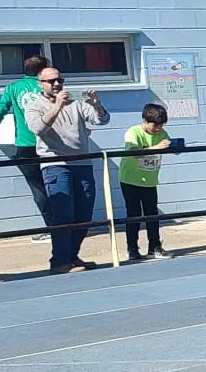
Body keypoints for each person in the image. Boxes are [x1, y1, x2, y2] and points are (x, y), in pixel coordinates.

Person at [23, 64, 110, 272]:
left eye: (59, 80)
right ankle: (59, 261)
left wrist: (97, 105)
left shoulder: (77, 104)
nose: (56, 84)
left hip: (82, 162)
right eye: (51, 81)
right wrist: (57, 106)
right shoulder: (34, 106)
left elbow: (103, 120)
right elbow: (37, 128)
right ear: (40, 84)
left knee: (84, 214)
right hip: (55, 164)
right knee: (63, 214)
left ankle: (72, 256)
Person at [0, 53, 55, 232]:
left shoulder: (13, 88)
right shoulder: (50, 85)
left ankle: (52, 227)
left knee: (38, 188)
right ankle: (64, 225)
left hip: (25, 144)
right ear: (43, 70)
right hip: (51, 144)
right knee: (58, 184)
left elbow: (0, 110)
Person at [118, 102, 178, 260]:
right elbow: (133, 153)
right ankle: (132, 248)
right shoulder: (134, 132)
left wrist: (175, 147)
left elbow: (167, 146)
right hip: (130, 179)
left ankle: (154, 247)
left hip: (150, 181)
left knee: (152, 214)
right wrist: (156, 147)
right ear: (144, 121)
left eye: (161, 125)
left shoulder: (162, 133)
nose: (158, 129)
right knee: (134, 214)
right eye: (155, 126)